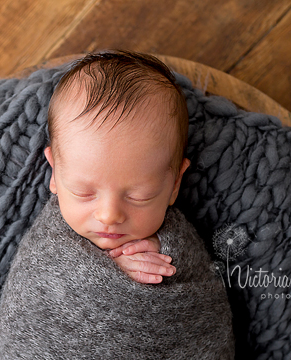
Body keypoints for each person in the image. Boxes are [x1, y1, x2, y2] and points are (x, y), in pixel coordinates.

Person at [43, 49, 192, 284]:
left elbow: (202, 288)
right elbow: (33, 284)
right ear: (54, 173)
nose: (109, 215)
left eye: (139, 197)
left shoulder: (180, 237)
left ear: (175, 184)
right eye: (83, 192)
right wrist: (107, 273)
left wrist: (164, 251)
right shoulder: (48, 237)